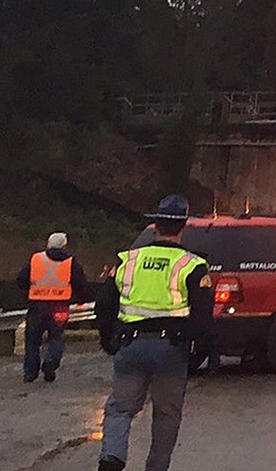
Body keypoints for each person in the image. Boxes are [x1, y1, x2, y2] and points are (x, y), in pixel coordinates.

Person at [95, 195, 212, 471]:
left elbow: (104, 304)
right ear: (183, 226)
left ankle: (112, 457)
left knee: (119, 409)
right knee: (166, 415)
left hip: (130, 346)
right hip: (171, 350)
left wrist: (107, 339)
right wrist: (201, 351)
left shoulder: (128, 259)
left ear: (155, 224)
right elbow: (203, 314)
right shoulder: (192, 265)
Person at [16, 231, 90, 384]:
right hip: (60, 306)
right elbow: (80, 283)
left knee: (32, 340)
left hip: (37, 305)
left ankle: (30, 373)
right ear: (64, 245)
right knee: (56, 337)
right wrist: (81, 299)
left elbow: (22, 279)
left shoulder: (36, 259)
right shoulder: (71, 261)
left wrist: (27, 293)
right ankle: (51, 363)